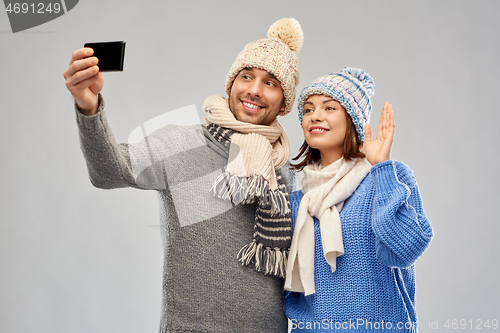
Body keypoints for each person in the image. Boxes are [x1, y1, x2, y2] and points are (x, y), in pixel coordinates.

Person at [63, 18, 304, 333]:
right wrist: (88, 106)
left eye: (271, 83)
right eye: (247, 76)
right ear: (230, 83)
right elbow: (110, 172)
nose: (255, 90)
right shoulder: (182, 143)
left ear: (284, 103)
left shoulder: (284, 169)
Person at [283, 68, 434, 332]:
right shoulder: (298, 200)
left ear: (352, 119)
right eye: (308, 110)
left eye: (329, 108)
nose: (315, 116)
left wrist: (382, 167)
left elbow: (404, 250)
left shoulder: (389, 177)